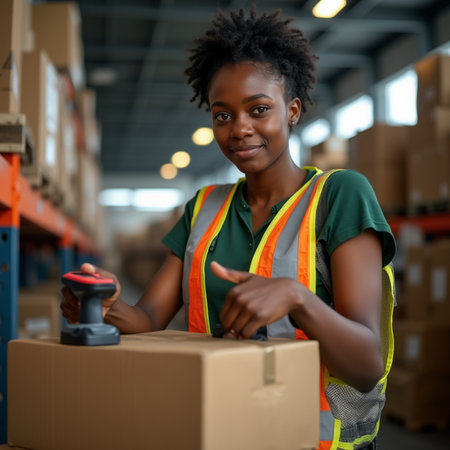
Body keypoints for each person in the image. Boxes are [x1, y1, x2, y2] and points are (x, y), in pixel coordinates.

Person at [61, 7, 396, 450]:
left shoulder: (340, 195)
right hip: (221, 430)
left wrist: (297, 299)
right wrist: (105, 307)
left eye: (259, 110)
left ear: (292, 111)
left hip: (311, 442)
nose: (239, 129)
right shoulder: (204, 207)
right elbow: (148, 317)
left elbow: (366, 363)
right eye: (222, 115)